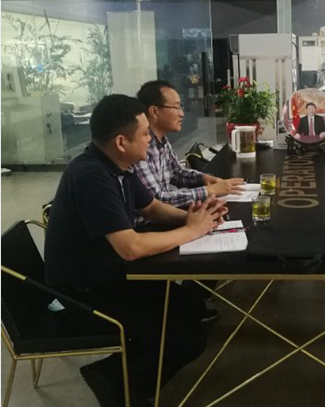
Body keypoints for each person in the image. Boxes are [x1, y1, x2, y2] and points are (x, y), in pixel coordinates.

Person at [44, 94, 228, 407]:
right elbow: (130, 248)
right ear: (121, 142)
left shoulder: (120, 165)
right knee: (189, 340)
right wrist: (192, 231)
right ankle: (118, 383)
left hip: (111, 276)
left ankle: (125, 365)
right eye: (144, 134)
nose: (149, 140)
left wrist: (194, 219)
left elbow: (152, 208)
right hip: (84, 295)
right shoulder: (91, 176)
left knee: (191, 305)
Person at [134, 80, 245, 223]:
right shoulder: (140, 147)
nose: (181, 113)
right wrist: (210, 190)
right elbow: (157, 200)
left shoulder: (162, 141)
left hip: (166, 218)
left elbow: (177, 173)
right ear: (154, 111)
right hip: (148, 226)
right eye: (176, 107)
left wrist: (205, 179)